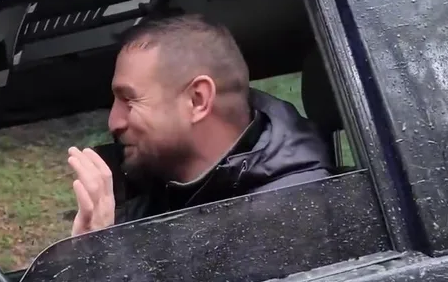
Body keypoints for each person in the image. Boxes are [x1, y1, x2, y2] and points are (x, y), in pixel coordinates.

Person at [68, 14, 333, 236]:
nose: (114, 122)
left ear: (197, 100)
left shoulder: (293, 212)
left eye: (129, 100)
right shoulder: (158, 191)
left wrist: (105, 254)